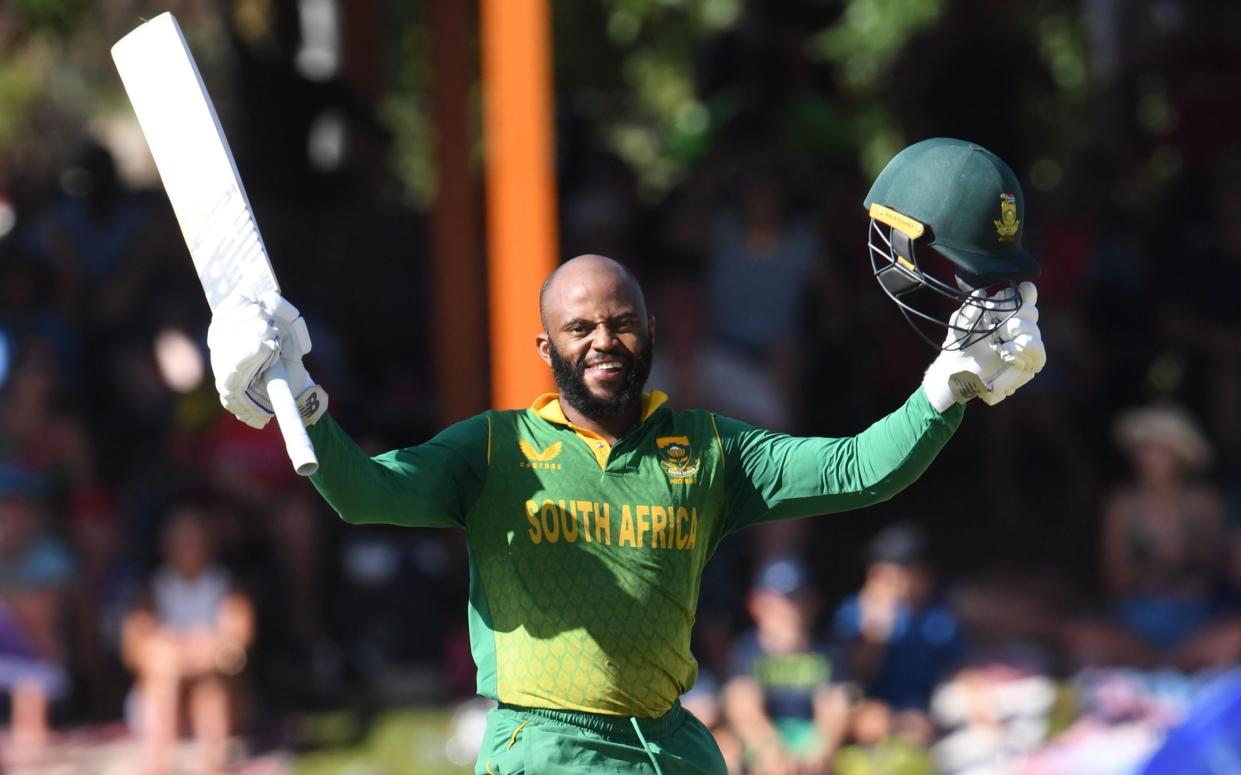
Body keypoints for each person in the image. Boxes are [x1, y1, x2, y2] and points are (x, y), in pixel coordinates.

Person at [205, 138, 1046, 774]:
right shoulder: (494, 448)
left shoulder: (711, 448)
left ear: (648, 330)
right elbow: (362, 493)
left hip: (670, 745)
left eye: (621, 322)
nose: (603, 340)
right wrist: (299, 399)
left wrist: (946, 388)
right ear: (547, 346)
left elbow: (861, 469)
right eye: (580, 327)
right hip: (547, 746)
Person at [121, 505, 255, 775]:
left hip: (217, 689)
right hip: (164, 691)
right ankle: (159, 762)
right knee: (163, 675)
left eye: (194, 540)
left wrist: (201, 654)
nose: (187, 548)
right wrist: (174, 655)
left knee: (209, 685)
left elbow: (237, 642)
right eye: (180, 541)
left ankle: (213, 763)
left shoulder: (226, 587)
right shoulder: (152, 590)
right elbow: (134, 647)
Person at [722, 556, 850, 774]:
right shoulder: (746, 649)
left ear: (813, 601)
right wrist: (769, 748)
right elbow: (742, 705)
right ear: (756, 604)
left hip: (812, 740)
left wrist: (819, 748)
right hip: (765, 741)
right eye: (779, 599)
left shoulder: (828, 650)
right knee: (726, 750)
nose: (790, 608)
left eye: (797, 598)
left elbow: (836, 705)